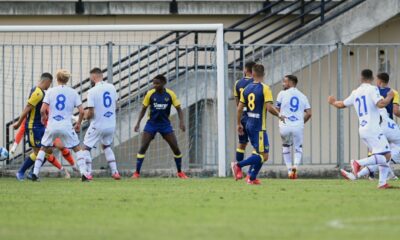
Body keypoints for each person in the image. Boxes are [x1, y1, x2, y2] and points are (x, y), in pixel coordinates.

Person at [328, 69, 393, 189]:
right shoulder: (373, 89)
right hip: (373, 128)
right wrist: (389, 97)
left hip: (363, 129)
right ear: (372, 78)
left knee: (385, 155)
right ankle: (358, 163)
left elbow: (341, 104)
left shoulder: (355, 92)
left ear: (361, 78)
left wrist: (332, 102)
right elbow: (380, 104)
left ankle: (382, 183)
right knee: (387, 155)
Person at [31, 69, 89, 181]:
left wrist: (44, 118)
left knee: (43, 148)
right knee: (77, 148)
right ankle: (84, 174)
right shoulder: (73, 92)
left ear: (57, 79)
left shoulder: (50, 92)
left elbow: (43, 109)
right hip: (66, 125)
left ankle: (35, 173)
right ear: (67, 80)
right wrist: (78, 123)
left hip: (52, 125)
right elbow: (82, 111)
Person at [231, 64, 285, 185]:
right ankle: (238, 165)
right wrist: (279, 115)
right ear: (264, 74)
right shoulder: (265, 88)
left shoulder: (246, 89)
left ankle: (252, 178)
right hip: (258, 126)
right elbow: (269, 107)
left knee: (258, 151)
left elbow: (239, 108)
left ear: (253, 74)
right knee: (264, 155)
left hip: (248, 123)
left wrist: (239, 123)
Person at [12, 73, 70, 180]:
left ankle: (32, 173)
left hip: (40, 126)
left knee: (47, 151)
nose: (49, 86)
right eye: (50, 83)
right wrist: (19, 123)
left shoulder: (39, 91)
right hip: (34, 127)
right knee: (39, 152)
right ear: (47, 81)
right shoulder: (38, 93)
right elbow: (27, 108)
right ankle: (21, 172)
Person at [132, 74, 188, 179]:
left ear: (163, 83)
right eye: (153, 83)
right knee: (143, 147)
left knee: (175, 148)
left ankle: (180, 172)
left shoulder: (170, 94)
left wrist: (182, 122)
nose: (154, 85)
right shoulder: (150, 94)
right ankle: (136, 173)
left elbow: (179, 109)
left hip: (165, 125)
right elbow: (143, 109)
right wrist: (138, 123)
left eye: (157, 83)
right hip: (151, 124)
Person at [82, 67, 120, 180]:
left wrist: (85, 117)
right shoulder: (112, 87)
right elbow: (116, 105)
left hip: (98, 124)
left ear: (93, 77)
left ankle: (88, 174)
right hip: (111, 124)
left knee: (86, 148)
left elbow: (91, 112)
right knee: (106, 145)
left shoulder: (92, 91)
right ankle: (115, 172)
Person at [276, 75, 312, 179]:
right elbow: (309, 113)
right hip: (297, 126)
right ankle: (295, 168)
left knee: (286, 146)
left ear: (291, 82)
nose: (283, 84)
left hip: (285, 125)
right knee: (298, 149)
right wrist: (301, 122)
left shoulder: (282, 94)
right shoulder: (303, 96)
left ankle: (289, 171)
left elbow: (276, 109)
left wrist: (281, 116)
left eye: (285, 82)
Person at [233, 61, 256, 172]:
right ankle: (251, 172)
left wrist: (239, 120)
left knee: (242, 143)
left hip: (242, 116)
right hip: (253, 117)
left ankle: (238, 171)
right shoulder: (256, 83)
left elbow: (237, 103)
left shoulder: (237, 83)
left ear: (246, 70)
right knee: (257, 146)